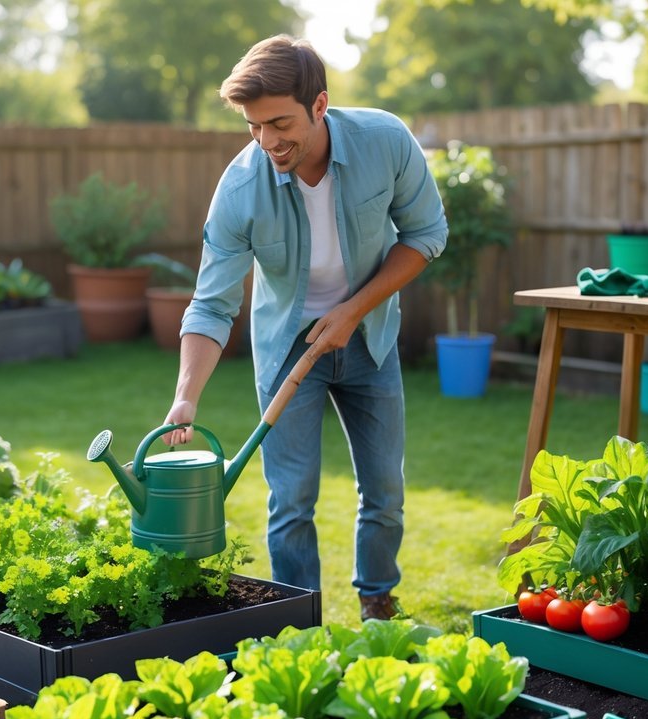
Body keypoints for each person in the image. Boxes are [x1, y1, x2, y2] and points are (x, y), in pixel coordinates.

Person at [160, 34, 448, 622]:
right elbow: (211, 305)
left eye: (279, 122)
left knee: (385, 493)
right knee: (291, 500)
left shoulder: (385, 142)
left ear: (319, 105)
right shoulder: (241, 190)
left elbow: (425, 235)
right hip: (287, 349)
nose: (267, 141)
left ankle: (377, 603)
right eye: (253, 126)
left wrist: (352, 311)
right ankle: (298, 622)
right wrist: (186, 397)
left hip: (369, 340)